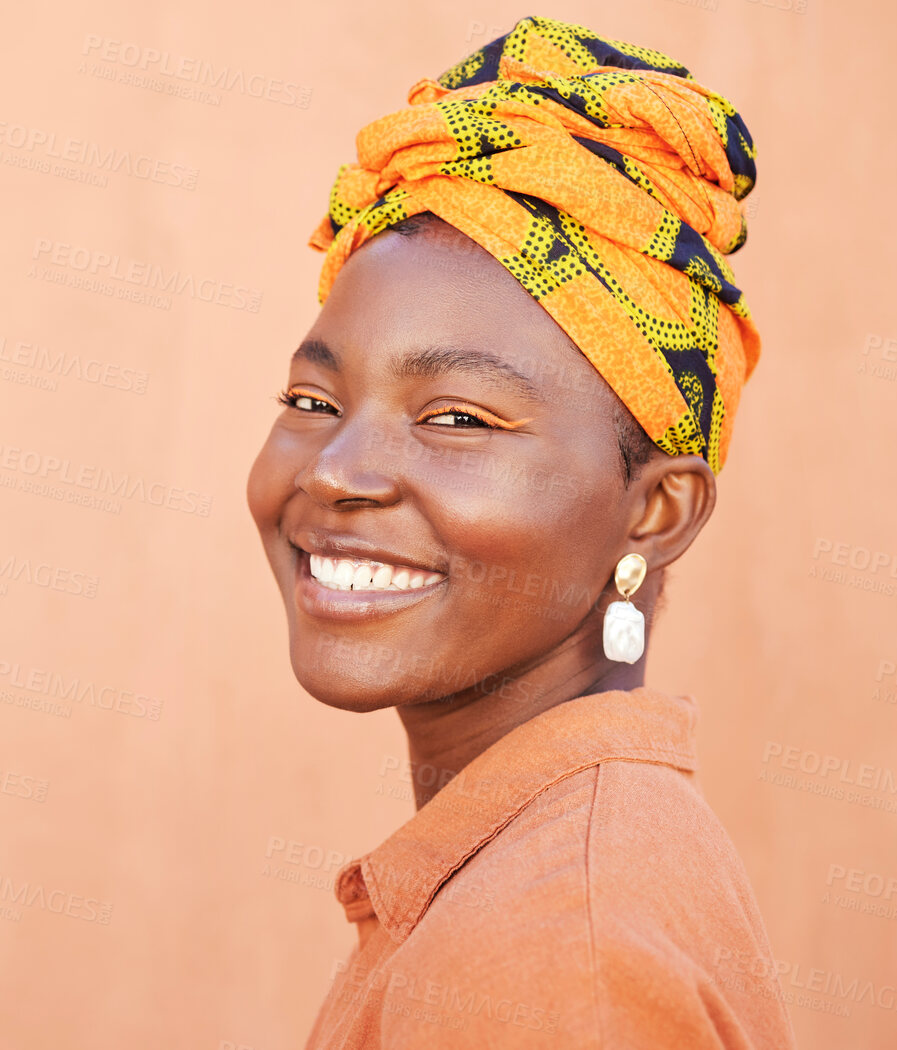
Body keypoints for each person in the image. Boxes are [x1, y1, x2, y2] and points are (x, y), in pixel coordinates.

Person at [245, 16, 794, 1049]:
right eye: (312, 400)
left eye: (456, 417)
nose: (332, 471)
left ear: (654, 511)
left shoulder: (554, 959)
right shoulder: (535, 869)